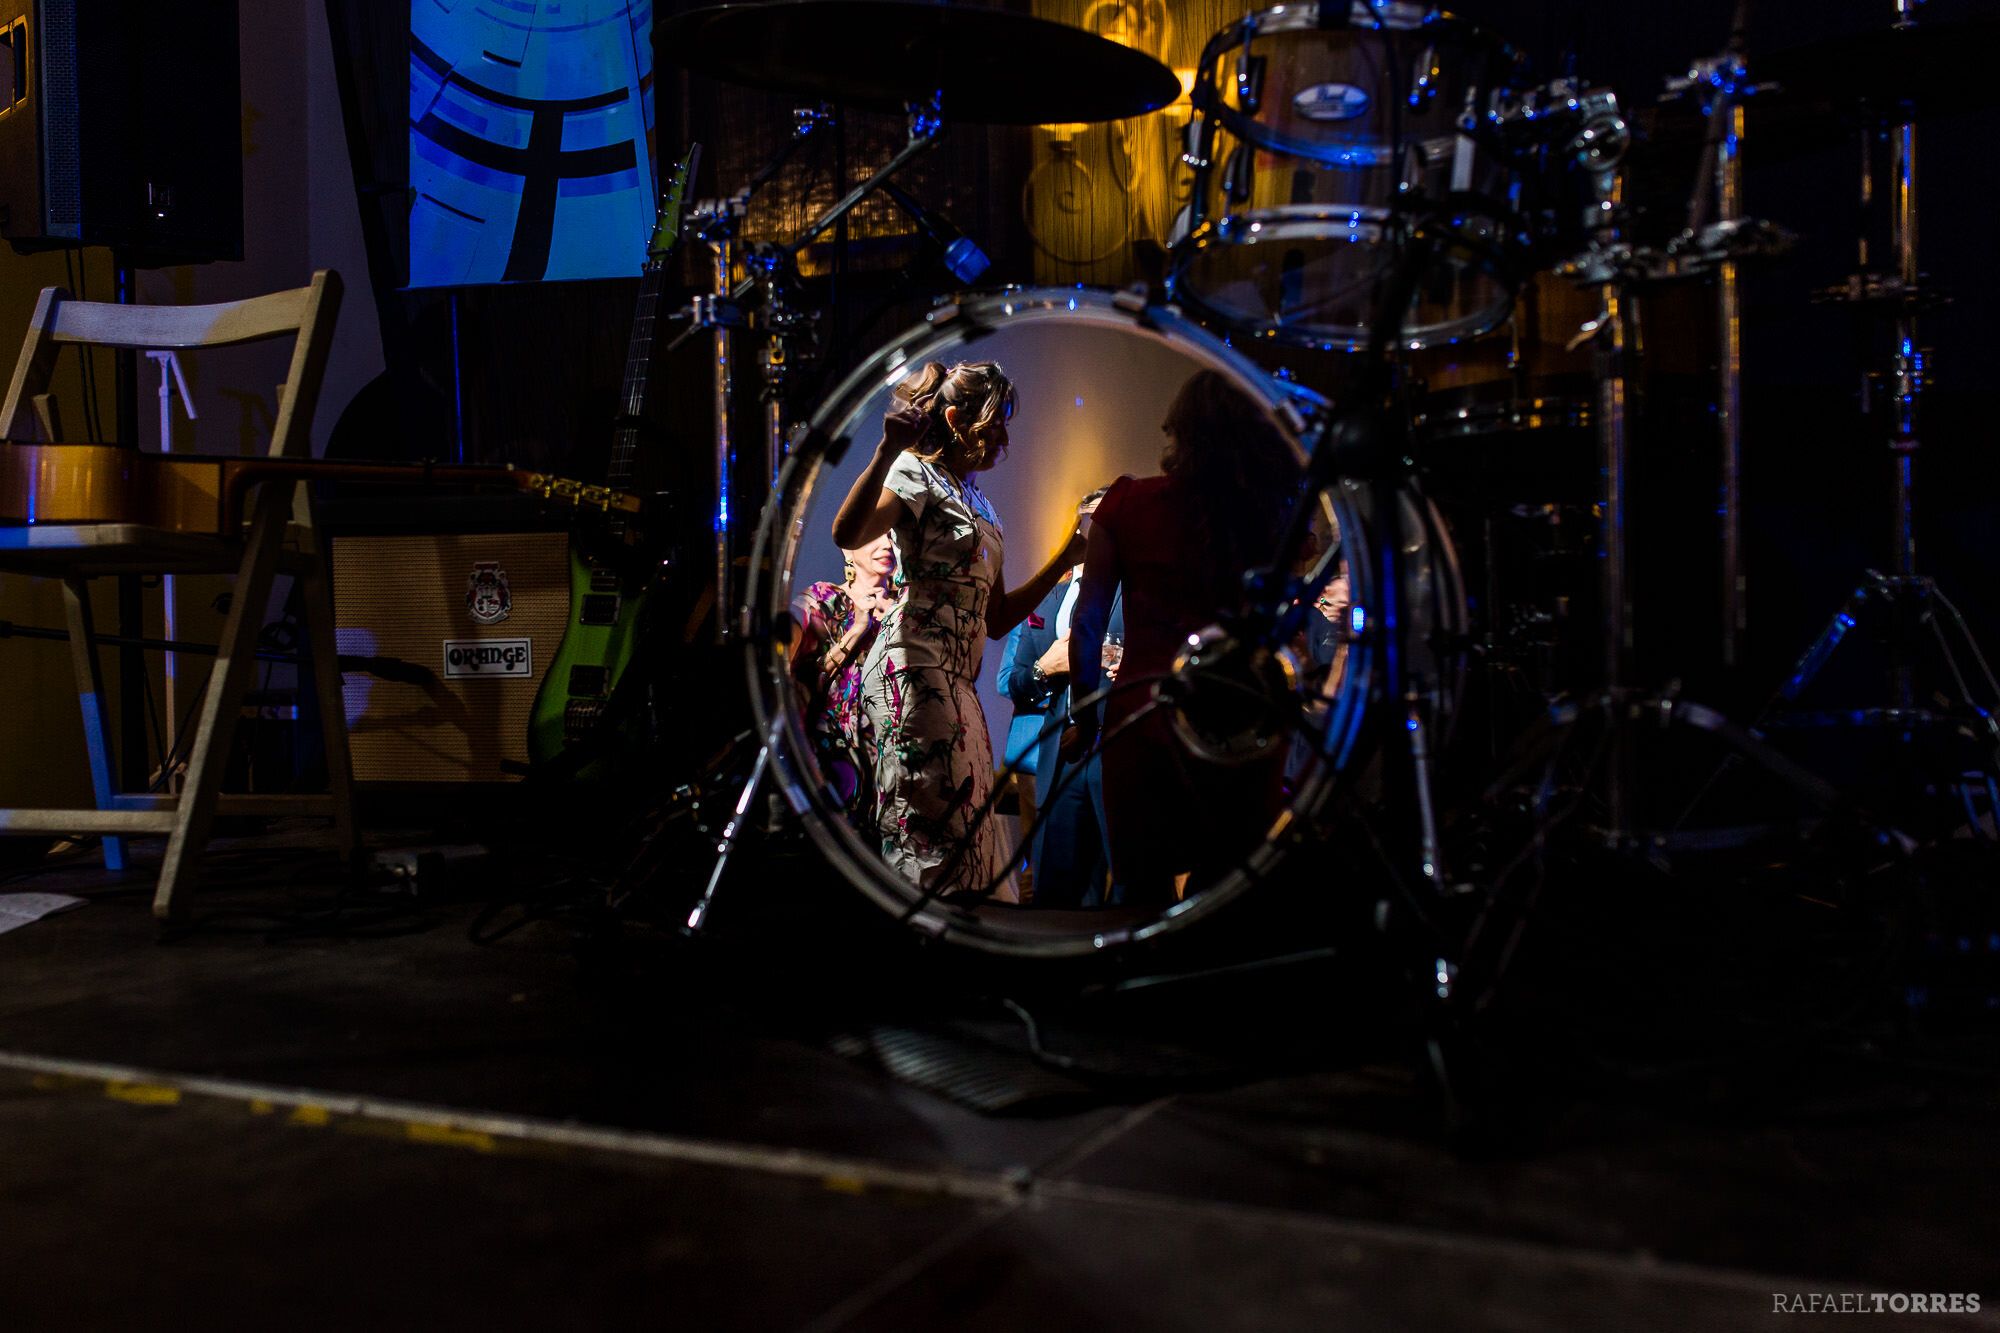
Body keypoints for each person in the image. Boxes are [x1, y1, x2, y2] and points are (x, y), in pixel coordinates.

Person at [831, 360, 1085, 900]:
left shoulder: (984, 506)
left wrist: (1064, 556)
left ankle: (956, 956)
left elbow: (995, 622)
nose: (1005, 438)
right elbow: (846, 531)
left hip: (957, 682)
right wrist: (883, 452)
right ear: (953, 418)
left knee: (965, 823)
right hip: (914, 669)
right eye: (995, 425)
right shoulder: (912, 472)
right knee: (928, 822)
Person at [1064, 370, 1303, 906]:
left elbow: (1088, 618)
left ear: (1181, 429)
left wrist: (1084, 714)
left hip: (1144, 714)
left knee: (1140, 893)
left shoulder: (1126, 503)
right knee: (1228, 885)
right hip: (1236, 715)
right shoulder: (1269, 514)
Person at [1003, 487, 1124, 907]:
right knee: (1056, 883)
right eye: (1088, 518)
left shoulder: (1135, 594)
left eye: (1105, 518)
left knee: (1124, 882)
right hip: (1059, 752)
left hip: (1115, 747)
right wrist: (1045, 668)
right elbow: (1014, 681)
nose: (1094, 528)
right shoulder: (1048, 599)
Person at [790, 533, 900, 814]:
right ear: (847, 549)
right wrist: (856, 630)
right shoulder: (822, 601)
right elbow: (792, 679)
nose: (886, 544)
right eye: (875, 535)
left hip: (896, 772)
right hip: (835, 770)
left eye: (891, 535)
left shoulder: (906, 610)